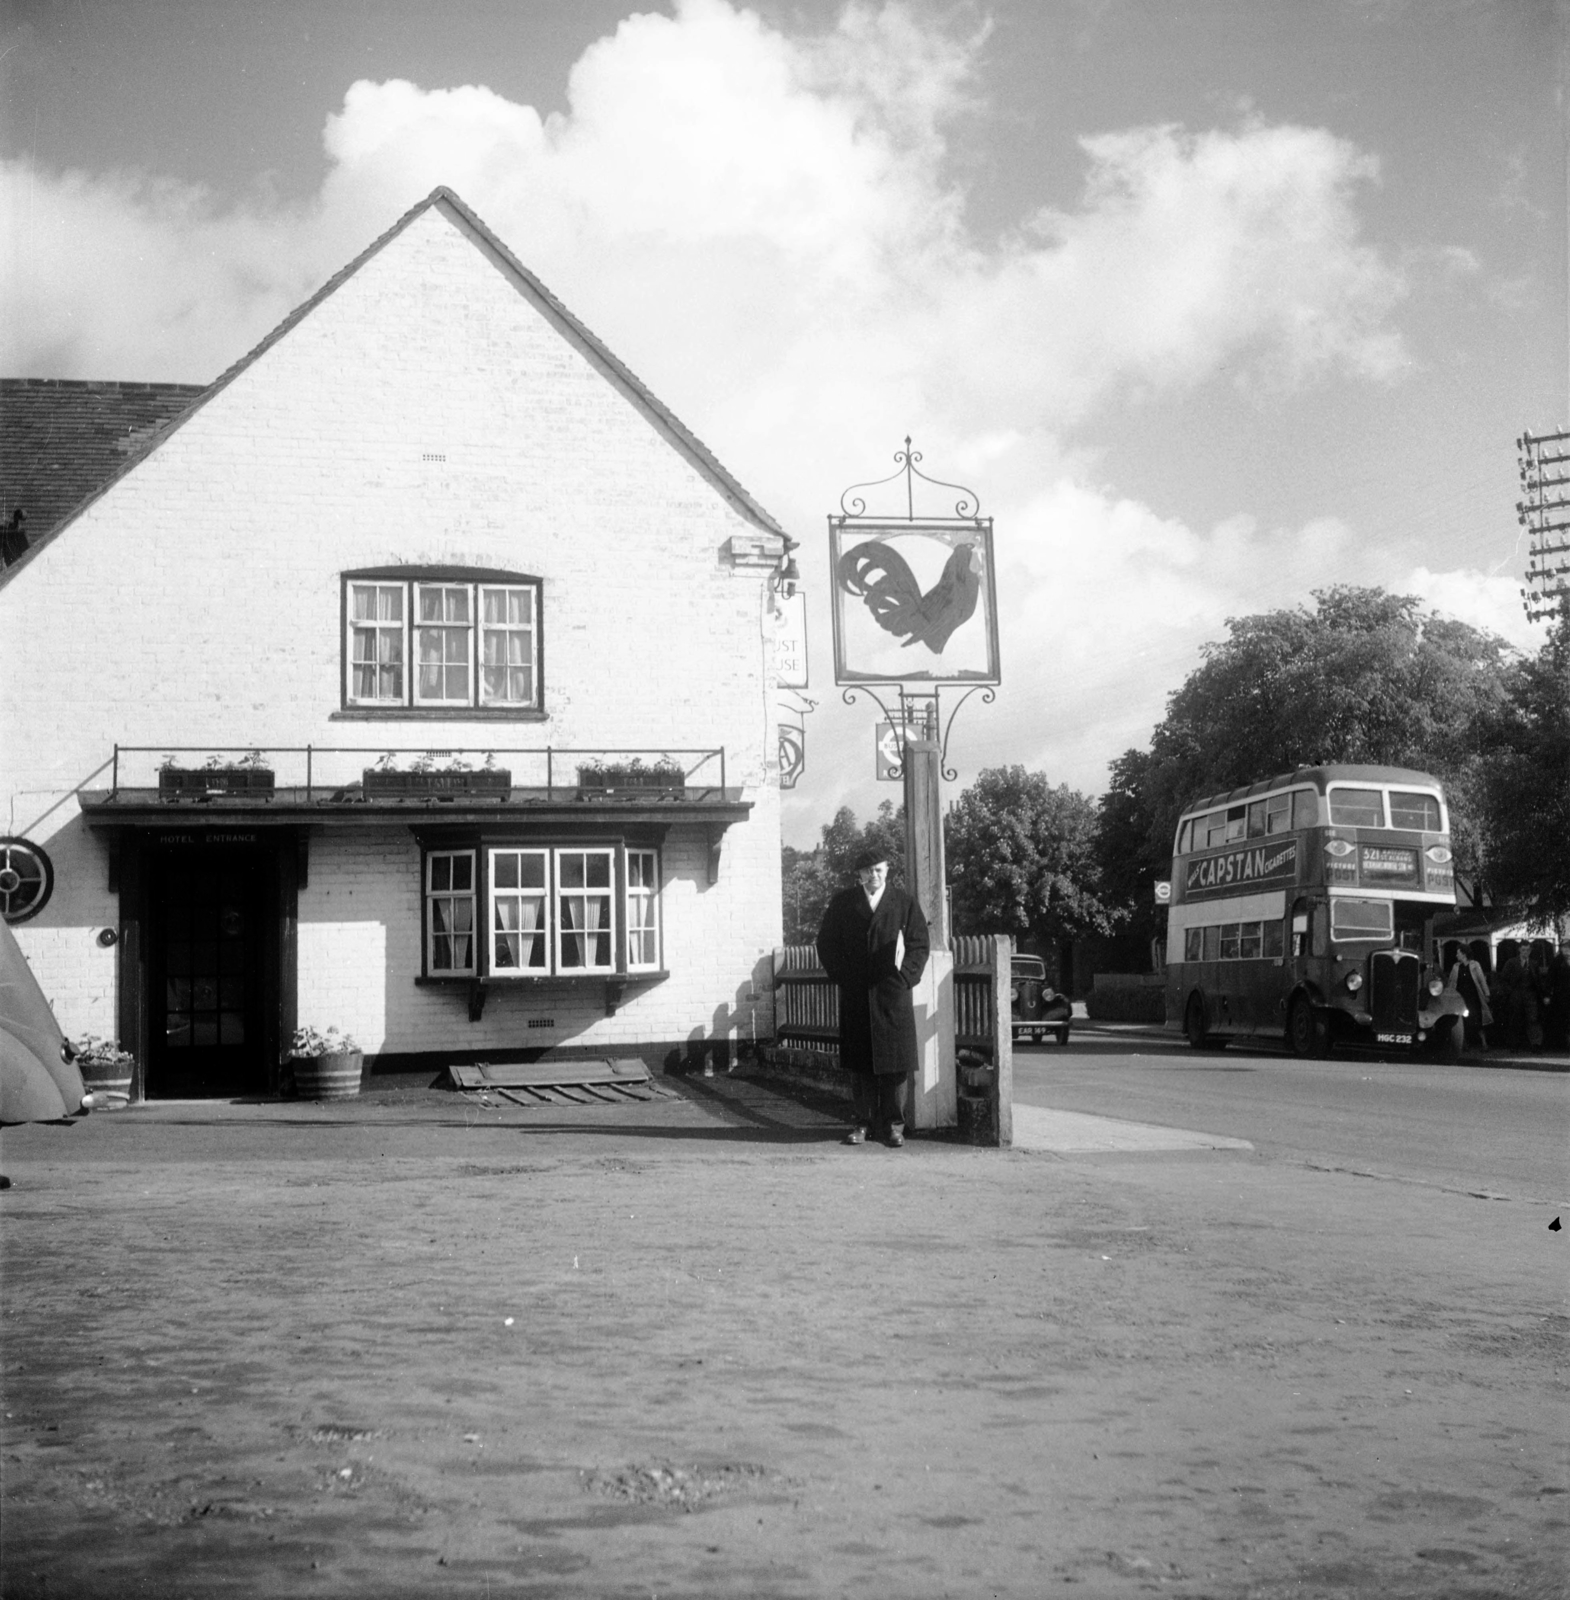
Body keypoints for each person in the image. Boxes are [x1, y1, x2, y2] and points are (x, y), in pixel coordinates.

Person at [815, 848, 930, 1148]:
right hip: (857, 994)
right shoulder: (843, 903)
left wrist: (905, 977)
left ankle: (894, 1126)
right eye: (867, 871)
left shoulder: (904, 904)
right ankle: (862, 1124)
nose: (873, 876)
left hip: (893, 994)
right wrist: (843, 976)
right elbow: (826, 943)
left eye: (878, 870)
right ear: (859, 874)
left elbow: (919, 944)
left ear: (887, 870)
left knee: (895, 1063)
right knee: (861, 1063)